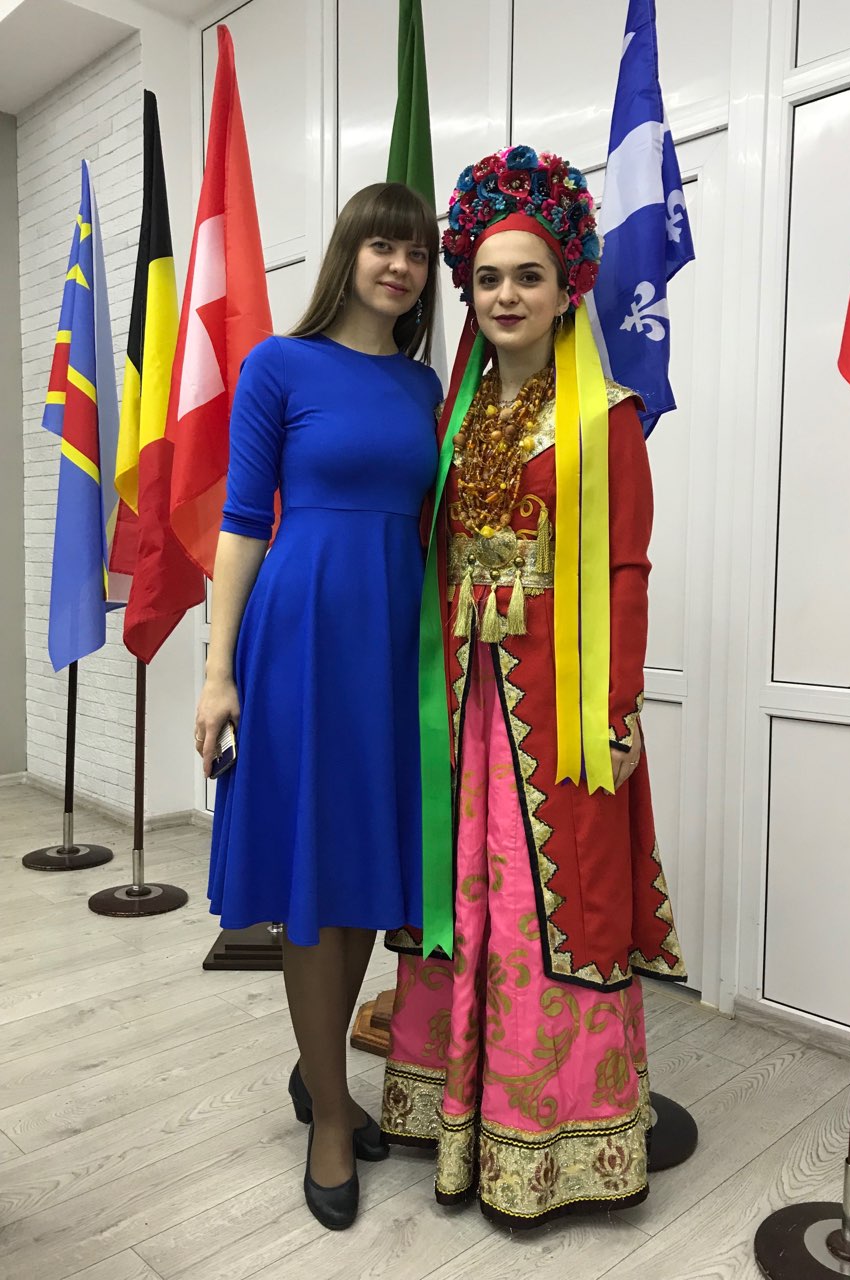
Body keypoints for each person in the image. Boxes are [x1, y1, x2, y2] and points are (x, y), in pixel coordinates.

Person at [380, 147, 686, 1228]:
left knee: (552, 901)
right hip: (458, 697)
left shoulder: (610, 417)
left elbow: (627, 569)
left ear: (568, 291)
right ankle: (446, 1109)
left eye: (529, 277)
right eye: (488, 278)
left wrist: (616, 704)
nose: (505, 295)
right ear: (468, 291)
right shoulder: (447, 420)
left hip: (561, 702)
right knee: (457, 888)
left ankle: (553, 1138)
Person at [193, 182, 442, 1232]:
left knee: (364, 870)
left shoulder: (426, 384)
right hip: (300, 636)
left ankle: (319, 1068)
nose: (400, 266)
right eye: (383, 246)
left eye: (417, 254)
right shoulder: (278, 365)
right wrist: (218, 671)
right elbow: (244, 521)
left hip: (394, 642)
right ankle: (330, 1112)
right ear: (349, 254)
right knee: (311, 869)